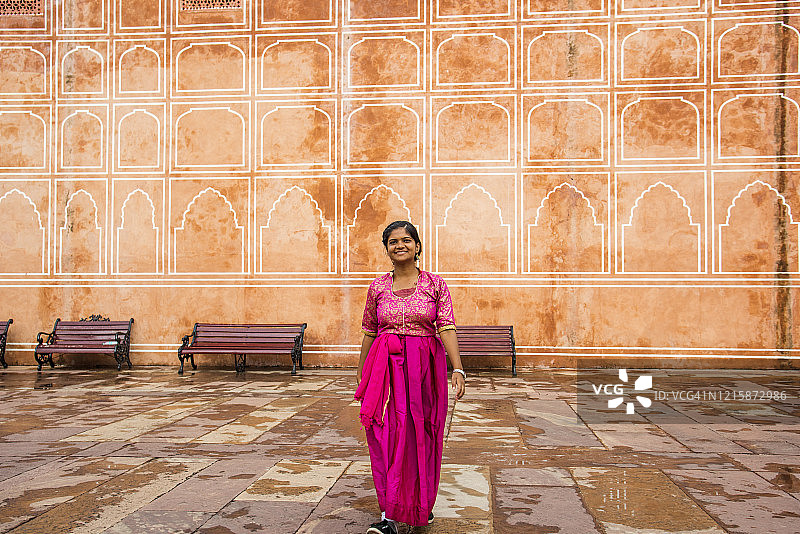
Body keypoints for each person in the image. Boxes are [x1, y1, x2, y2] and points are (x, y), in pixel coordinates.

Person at [355, 220, 466, 534]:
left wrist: (457, 367)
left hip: (425, 370)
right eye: (393, 241)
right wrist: (362, 371)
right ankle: (390, 514)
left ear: (418, 246)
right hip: (386, 370)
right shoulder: (377, 286)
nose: (399, 245)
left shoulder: (435, 284)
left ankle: (421, 506)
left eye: (406, 240)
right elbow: (369, 330)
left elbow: (445, 325)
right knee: (388, 434)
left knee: (423, 435)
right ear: (387, 249)